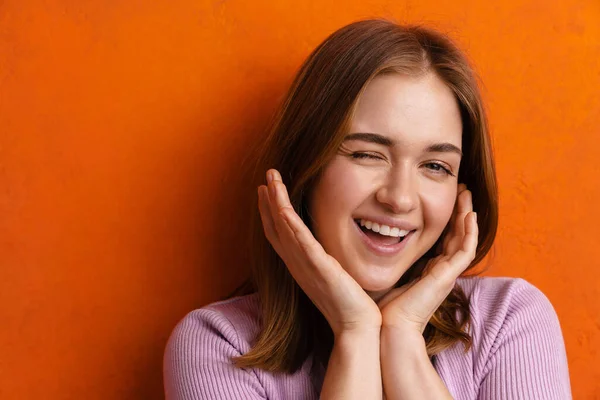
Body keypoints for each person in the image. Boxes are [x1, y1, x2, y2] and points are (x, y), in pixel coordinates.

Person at [163, 19, 572, 399]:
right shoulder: (218, 343)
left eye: (435, 166)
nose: (400, 198)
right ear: (306, 166)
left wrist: (403, 335)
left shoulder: (509, 320)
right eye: (367, 154)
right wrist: (356, 333)